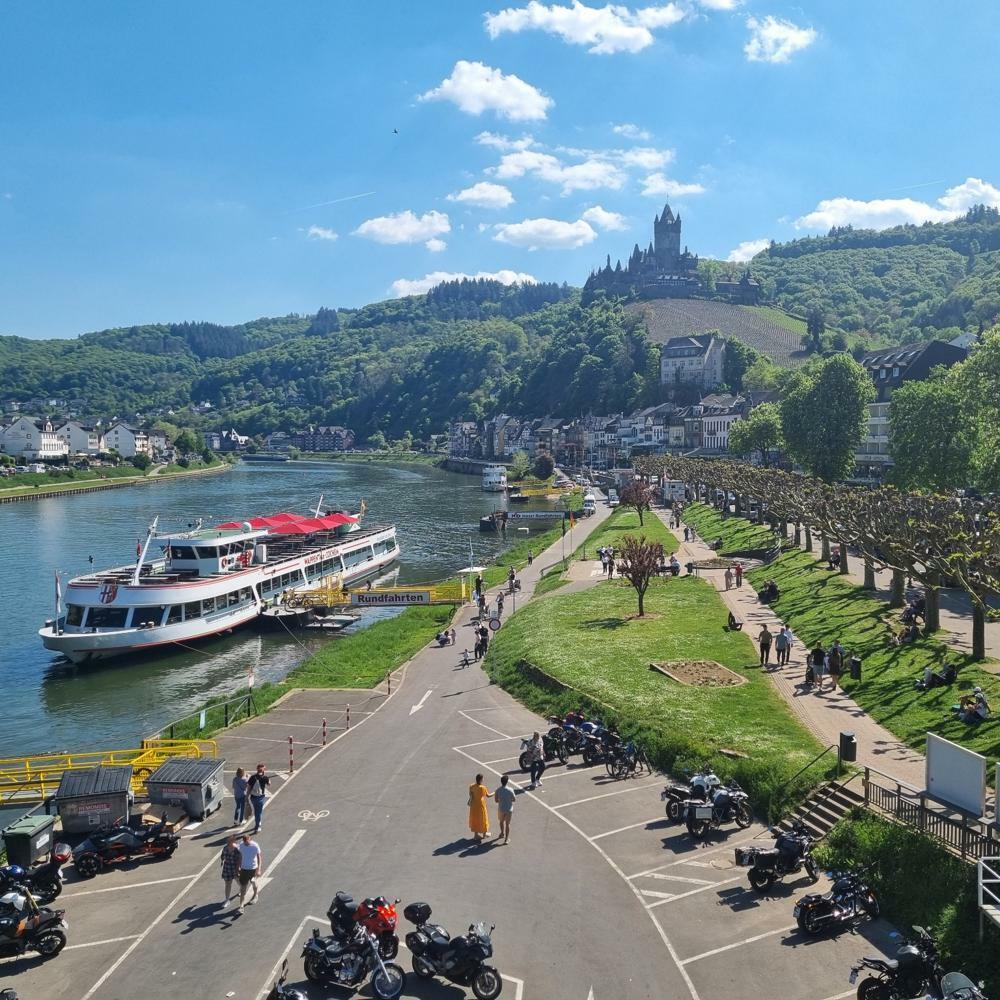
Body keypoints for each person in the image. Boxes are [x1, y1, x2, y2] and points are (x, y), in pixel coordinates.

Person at [236, 833, 263, 913]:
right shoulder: (241, 845)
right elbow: (240, 856)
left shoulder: (255, 846)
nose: (246, 843)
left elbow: (259, 857)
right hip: (244, 869)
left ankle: (255, 895)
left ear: (250, 839)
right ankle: (241, 907)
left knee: (253, 882)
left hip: (253, 869)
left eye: (247, 842)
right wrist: (238, 866)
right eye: (245, 842)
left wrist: (259, 869)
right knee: (243, 888)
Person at [247, 763, 270, 834]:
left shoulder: (252, 777)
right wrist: (265, 775)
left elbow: (249, 788)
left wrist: (246, 797)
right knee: (258, 813)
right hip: (261, 797)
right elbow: (269, 784)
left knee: (256, 811)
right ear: (263, 770)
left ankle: (258, 823)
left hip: (253, 797)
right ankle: (258, 826)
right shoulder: (265, 778)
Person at [468, 774, 491, 843]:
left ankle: (476, 835)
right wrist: (495, 792)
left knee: (475, 818)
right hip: (481, 805)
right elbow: (488, 795)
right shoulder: (482, 787)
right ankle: (484, 834)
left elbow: (470, 794)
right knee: (483, 818)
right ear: (481, 780)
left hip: (474, 805)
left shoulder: (471, 786)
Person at [220, 834, 241, 907]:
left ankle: (242, 889)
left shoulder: (237, 849)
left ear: (233, 841)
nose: (227, 842)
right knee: (228, 884)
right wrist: (222, 861)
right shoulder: (225, 848)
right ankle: (227, 900)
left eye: (229, 841)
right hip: (227, 868)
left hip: (235, 868)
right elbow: (222, 856)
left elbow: (240, 859)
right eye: (227, 841)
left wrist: (238, 868)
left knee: (239, 881)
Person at [494, 774, 515, 844]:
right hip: (509, 809)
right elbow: (514, 799)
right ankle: (506, 839)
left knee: (501, 821)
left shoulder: (498, 790)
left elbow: (496, 800)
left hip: (501, 808)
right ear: (507, 781)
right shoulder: (510, 789)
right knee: (507, 824)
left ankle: (502, 833)